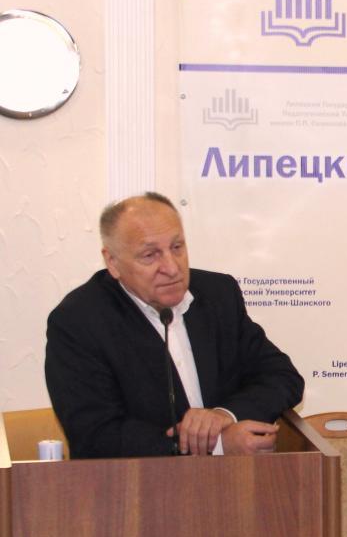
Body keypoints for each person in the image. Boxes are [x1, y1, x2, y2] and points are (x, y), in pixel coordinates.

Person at [45, 193, 304, 459]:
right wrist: (216, 445)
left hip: (237, 479)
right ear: (112, 262)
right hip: (140, 482)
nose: (171, 268)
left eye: (177, 247)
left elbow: (282, 377)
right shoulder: (78, 322)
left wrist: (224, 415)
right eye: (150, 255)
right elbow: (96, 436)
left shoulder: (218, 294)